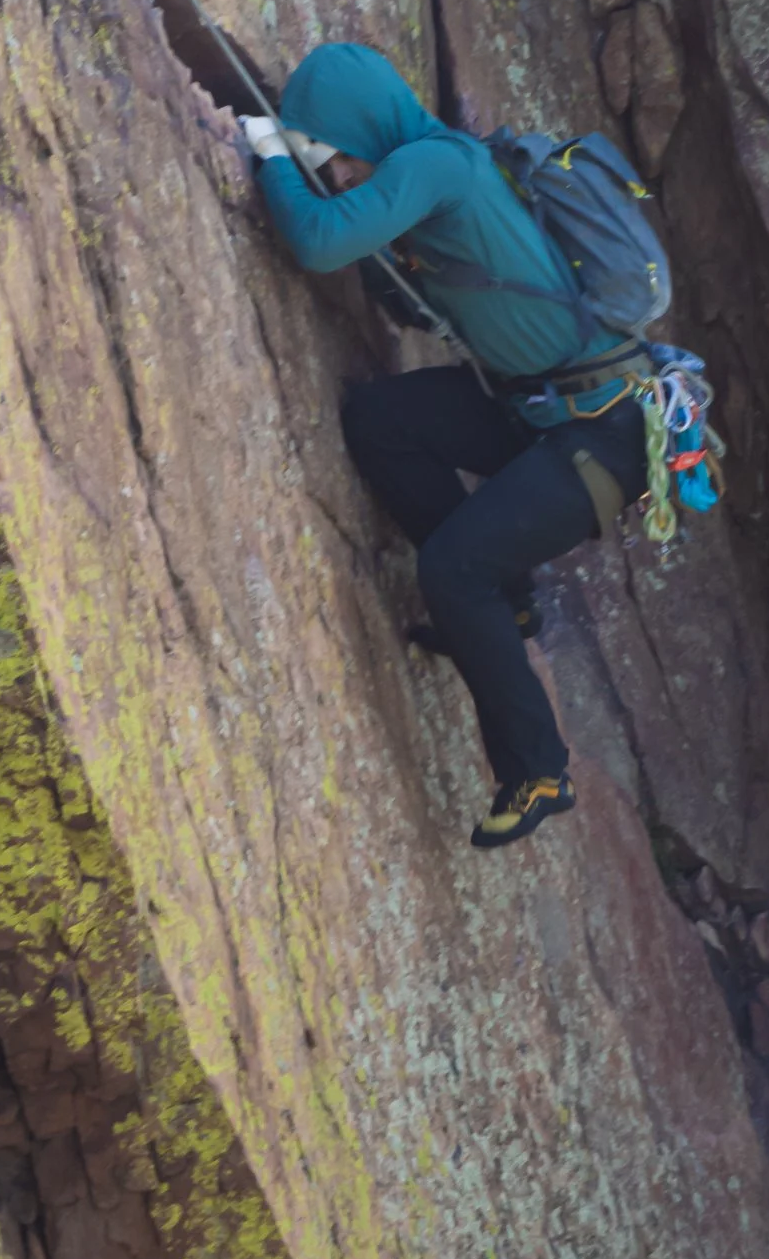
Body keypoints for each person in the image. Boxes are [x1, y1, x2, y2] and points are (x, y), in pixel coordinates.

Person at [239, 43, 645, 852]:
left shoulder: (436, 165)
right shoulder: (437, 169)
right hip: (542, 408)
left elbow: (320, 242)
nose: (339, 176)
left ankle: (538, 769)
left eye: (333, 156)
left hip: (605, 432)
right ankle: (511, 600)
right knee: (384, 421)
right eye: (325, 164)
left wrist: (272, 157)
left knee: (453, 569)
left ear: (360, 128)